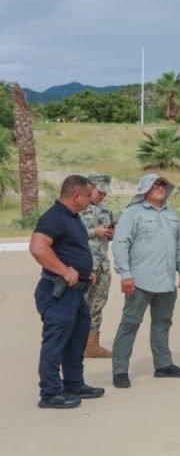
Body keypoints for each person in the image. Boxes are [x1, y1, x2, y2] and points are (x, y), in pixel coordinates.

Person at [29, 175, 106, 409]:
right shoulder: (54, 217)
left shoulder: (72, 217)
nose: (92, 199)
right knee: (56, 342)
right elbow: (38, 248)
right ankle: (50, 393)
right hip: (57, 291)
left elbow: (70, 249)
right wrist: (64, 270)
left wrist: (85, 272)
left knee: (77, 338)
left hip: (75, 291)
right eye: (89, 195)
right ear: (76, 195)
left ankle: (73, 383)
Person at [110, 174, 180, 388]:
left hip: (166, 279)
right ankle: (120, 370)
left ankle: (163, 365)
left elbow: (177, 245)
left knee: (163, 321)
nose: (160, 188)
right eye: (155, 185)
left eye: (163, 185)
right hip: (139, 280)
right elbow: (120, 244)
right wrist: (125, 274)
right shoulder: (132, 213)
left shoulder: (171, 214)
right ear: (144, 188)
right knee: (130, 323)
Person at [80, 173, 115, 359]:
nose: (103, 195)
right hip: (85, 265)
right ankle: (74, 345)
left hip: (103, 264)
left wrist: (110, 233)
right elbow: (70, 234)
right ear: (90, 188)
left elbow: (107, 236)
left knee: (98, 304)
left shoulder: (105, 210)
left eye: (105, 192)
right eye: (99, 191)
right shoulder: (77, 209)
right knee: (80, 305)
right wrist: (94, 231)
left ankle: (92, 345)